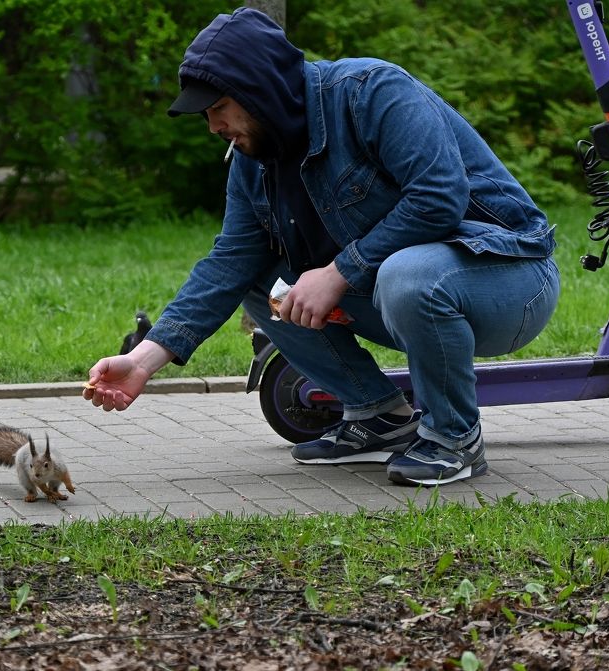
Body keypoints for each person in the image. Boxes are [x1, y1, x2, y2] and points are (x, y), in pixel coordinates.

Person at [82, 7, 559, 486]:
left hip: (508, 278)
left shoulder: (372, 91)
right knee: (260, 281)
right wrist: (143, 360)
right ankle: (379, 417)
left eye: (217, 109)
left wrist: (337, 273)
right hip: (403, 294)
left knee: (407, 274)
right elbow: (228, 262)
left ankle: (455, 437)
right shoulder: (254, 160)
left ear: (258, 91)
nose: (212, 126)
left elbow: (439, 197)